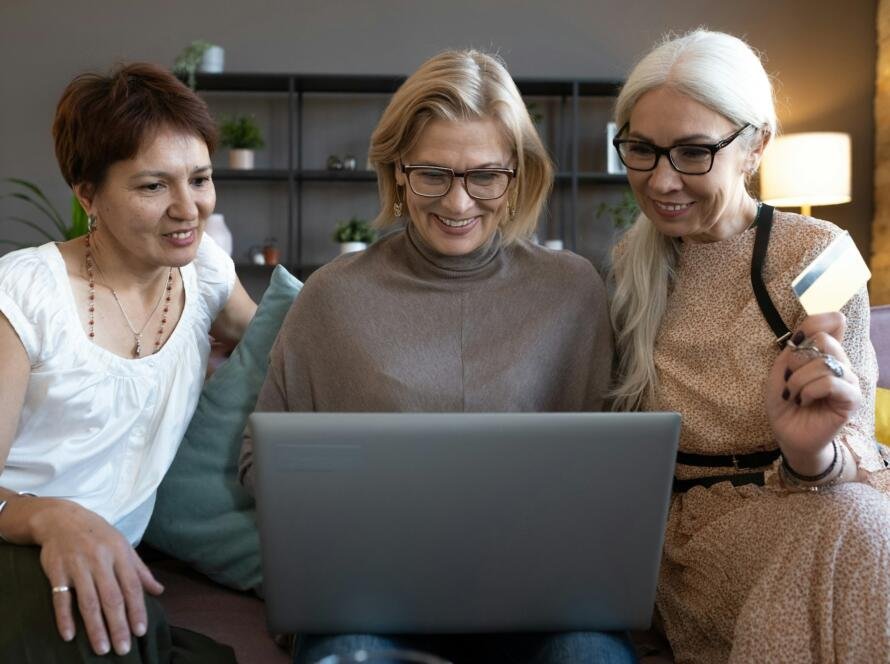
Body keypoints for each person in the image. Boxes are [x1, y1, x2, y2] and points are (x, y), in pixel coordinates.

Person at [239, 49, 634, 663]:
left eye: (484, 175)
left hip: (542, 599)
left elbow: (609, 469)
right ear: (397, 171)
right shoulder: (334, 295)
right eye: (432, 174)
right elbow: (257, 461)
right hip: (366, 599)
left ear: (516, 175)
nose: (457, 203)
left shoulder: (574, 291)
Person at [608, 29, 890, 662]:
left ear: (755, 145)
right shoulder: (627, 265)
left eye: (693, 152)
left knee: (864, 528)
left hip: (824, 497)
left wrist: (807, 453)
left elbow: (856, 448)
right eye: (641, 150)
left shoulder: (824, 252)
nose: (661, 180)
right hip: (698, 534)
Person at [0, 63, 256, 662]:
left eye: (200, 179)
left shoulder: (207, 271)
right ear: (88, 192)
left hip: (110, 554)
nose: (187, 208)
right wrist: (50, 518)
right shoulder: (24, 295)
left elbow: (289, 348)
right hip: (19, 541)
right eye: (152, 186)